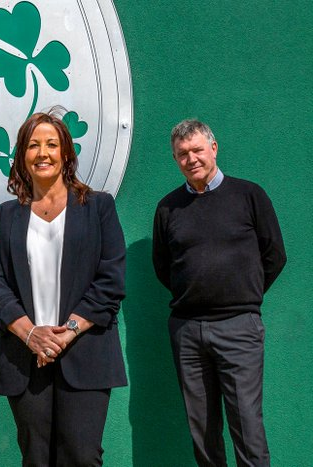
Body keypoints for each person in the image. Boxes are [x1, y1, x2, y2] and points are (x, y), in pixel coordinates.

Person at [0, 110, 127, 466]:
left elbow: (110, 280)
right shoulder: (5, 216)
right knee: (36, 458)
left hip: (85, 352)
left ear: (66, 153)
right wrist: (32, 335)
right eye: (33, 145)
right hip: (25, 356)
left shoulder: (99, 207)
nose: (42, 153)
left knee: (81, 456)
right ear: (22, 156)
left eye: (51, 144)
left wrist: (66, 333)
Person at [152, 119, 286, 467]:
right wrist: (196, 293)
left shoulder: (249, 195)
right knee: (202, 431)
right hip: (187, 331)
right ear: (175, 159)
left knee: (247, 428)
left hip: (239, 327)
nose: (191, 159)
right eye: (182, 154)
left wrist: (242, 293)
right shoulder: (168, 208)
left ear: (213, 148)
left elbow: (275, 255)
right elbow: (163, 266)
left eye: (197, 150)